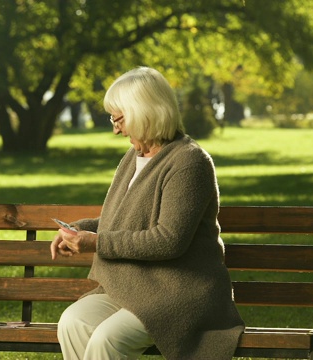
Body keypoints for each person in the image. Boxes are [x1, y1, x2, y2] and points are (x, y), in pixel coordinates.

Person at [50, 67, 244, 360]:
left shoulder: (189, 162)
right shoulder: (133, 157)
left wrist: (96, 243)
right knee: (72, 322)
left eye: (119, 118)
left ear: (144, 112)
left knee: (108, 339)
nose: (115, 129)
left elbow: (168, 239)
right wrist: (79, 229)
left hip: (179, 293)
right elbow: (124, 220)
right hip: (133, 285)